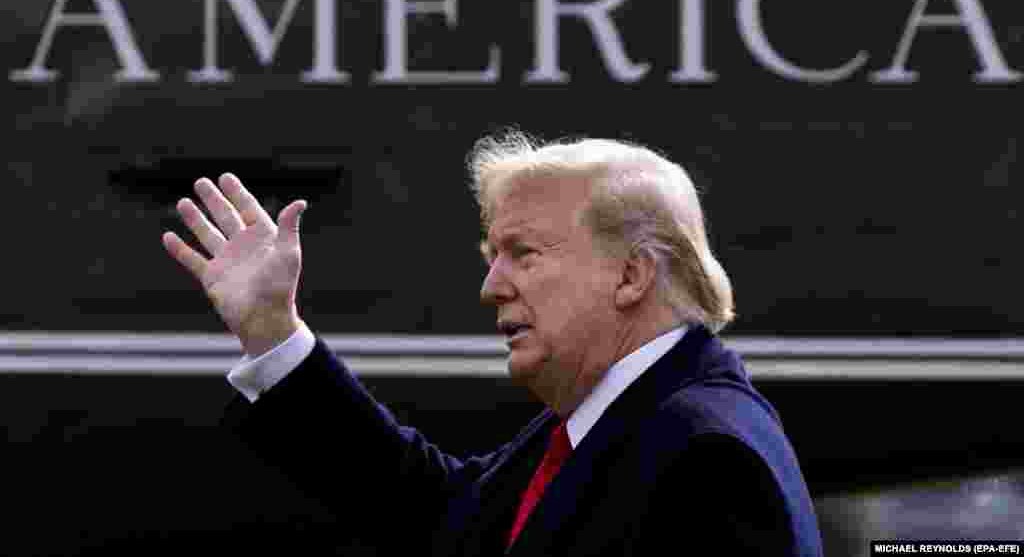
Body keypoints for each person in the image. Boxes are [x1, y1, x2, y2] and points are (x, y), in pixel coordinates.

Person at [162, 131, 823, 556]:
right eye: (492, 254)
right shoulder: (617, 417)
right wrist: (273, 333)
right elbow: (442, 515)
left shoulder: (706, 458)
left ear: (631, 274)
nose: (490, 285)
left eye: (522, 253)